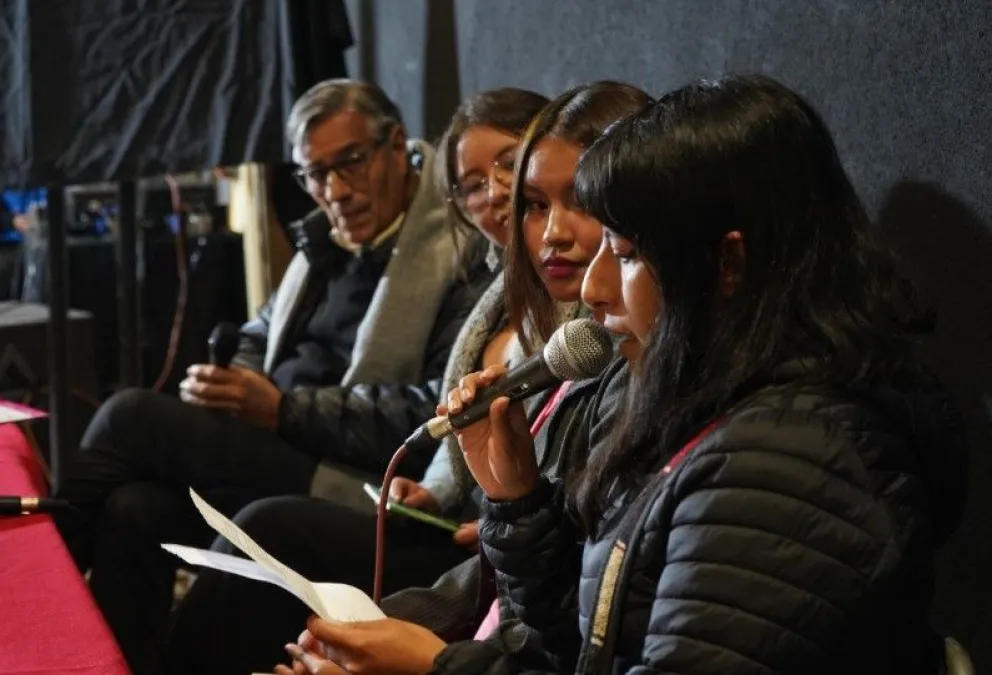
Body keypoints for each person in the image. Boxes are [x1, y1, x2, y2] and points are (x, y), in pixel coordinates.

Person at [279, 75, 967, 675]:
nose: (598, 287)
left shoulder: (787, 461)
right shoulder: (704, 406)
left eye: (629, 253)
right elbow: (587, 643)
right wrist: (517, 501)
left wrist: (435, 666)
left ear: (726, 265)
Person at [173, 82, 651, 675]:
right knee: (145, 505)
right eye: (531, 202)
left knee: (222, 488)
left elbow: (560, 627)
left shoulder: (602, 356)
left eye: (510, 171)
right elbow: (528, 594)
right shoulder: (331, 250)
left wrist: (434, 658)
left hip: (441, 525)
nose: (548, 228)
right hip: (449, 524)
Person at [53, 78, 493, 675]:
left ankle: (39, 595)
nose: (335, 191)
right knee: (137, 509)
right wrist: (231, 381)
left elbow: (430, 409)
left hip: (353, 473)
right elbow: (261, 332)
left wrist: (283, 409)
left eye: (351, 164)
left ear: (396, 147)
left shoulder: (460, 249)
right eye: (314, 175)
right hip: (275, 441)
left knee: (129, 416)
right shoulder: (325, 243)